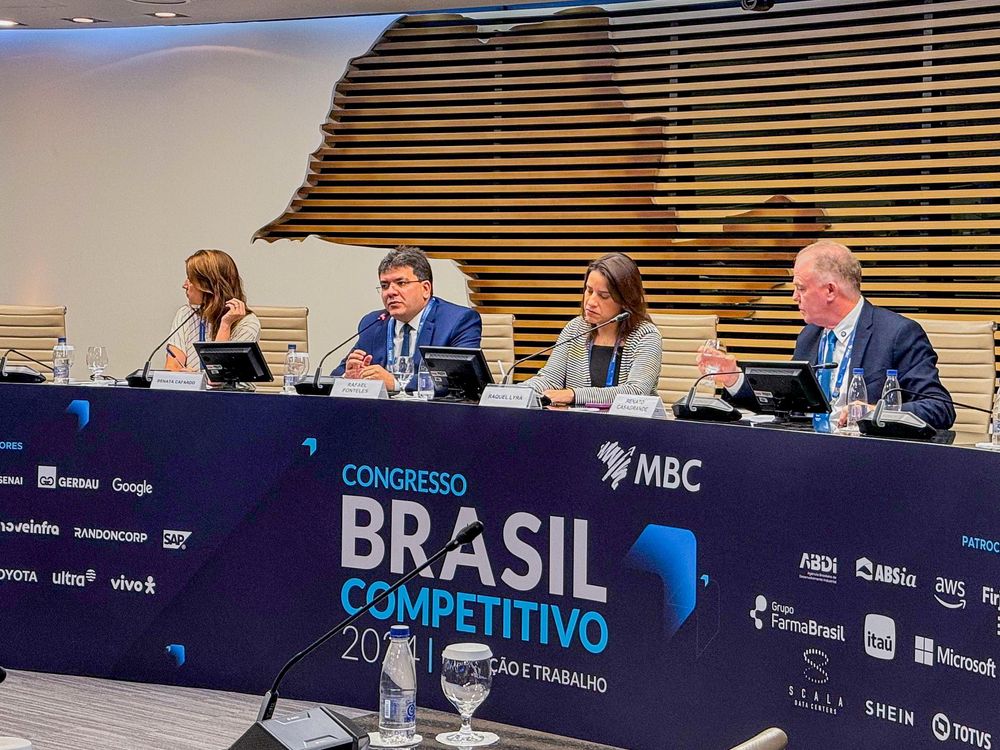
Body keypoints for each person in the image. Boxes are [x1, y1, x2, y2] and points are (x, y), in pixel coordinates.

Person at [697, 240, 955, 430]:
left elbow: (939, 407)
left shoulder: (897, 334)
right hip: (809, 453)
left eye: (801, 288)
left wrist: (876, 411)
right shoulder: (809, 336)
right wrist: (733, 379)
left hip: (868, 459)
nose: (794, 297)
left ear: (830, 290)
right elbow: (782, 405)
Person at [521, 252, 662, 407]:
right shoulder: (575, 329)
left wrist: (573, 395)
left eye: (603, 296)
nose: (591, 302)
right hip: (579, 421)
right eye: (589, 291)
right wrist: (515, 393)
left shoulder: (646, 336)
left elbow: (636, 392)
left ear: (625, 300)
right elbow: (549, 380)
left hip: (627, 422)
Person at [334, 246, 482, 391]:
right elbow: (336, 375)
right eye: (384, 285)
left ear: (425, 288)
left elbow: (461, 381)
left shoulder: (457, 321)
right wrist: (349, 377)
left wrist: (396, 384)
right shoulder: (373, 323)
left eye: (401, 283)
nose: (390, 292)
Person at [166, 249, 260, 371]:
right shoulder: (185, 314)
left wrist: (225, 325)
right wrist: (187, 377)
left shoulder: (247, 323)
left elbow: (219, 375)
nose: (184, 285)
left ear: (208, 286)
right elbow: (172, 368)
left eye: (190, 280)